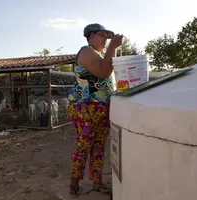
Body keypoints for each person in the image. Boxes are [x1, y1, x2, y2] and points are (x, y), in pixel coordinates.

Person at [67, 23, 123, 195]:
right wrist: (113, 47)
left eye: (107, 36)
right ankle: (74, 182)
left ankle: (96, 182)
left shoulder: (99, 54)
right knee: (84, 144)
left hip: (102, 107)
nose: (106, 38)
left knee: (99, 146)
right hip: (86, 107)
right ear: (91, 36)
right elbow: (103, 71)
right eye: (101, 35)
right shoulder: (86, 51)